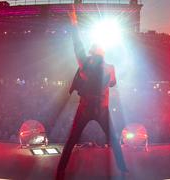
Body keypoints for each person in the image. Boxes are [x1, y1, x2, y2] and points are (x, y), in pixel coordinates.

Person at [56, 5, 128, 178]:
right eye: (100, 47)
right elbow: (112, 83)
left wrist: (74, 22)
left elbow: (112, 82)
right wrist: (73, 22)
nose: (102, 48)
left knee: (75, 140)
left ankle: (61, 170)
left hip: (93, 108)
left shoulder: (101, 65)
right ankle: (123, 169)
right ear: (96, 50)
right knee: (77, 140)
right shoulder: (97, 65)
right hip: (94, 108)